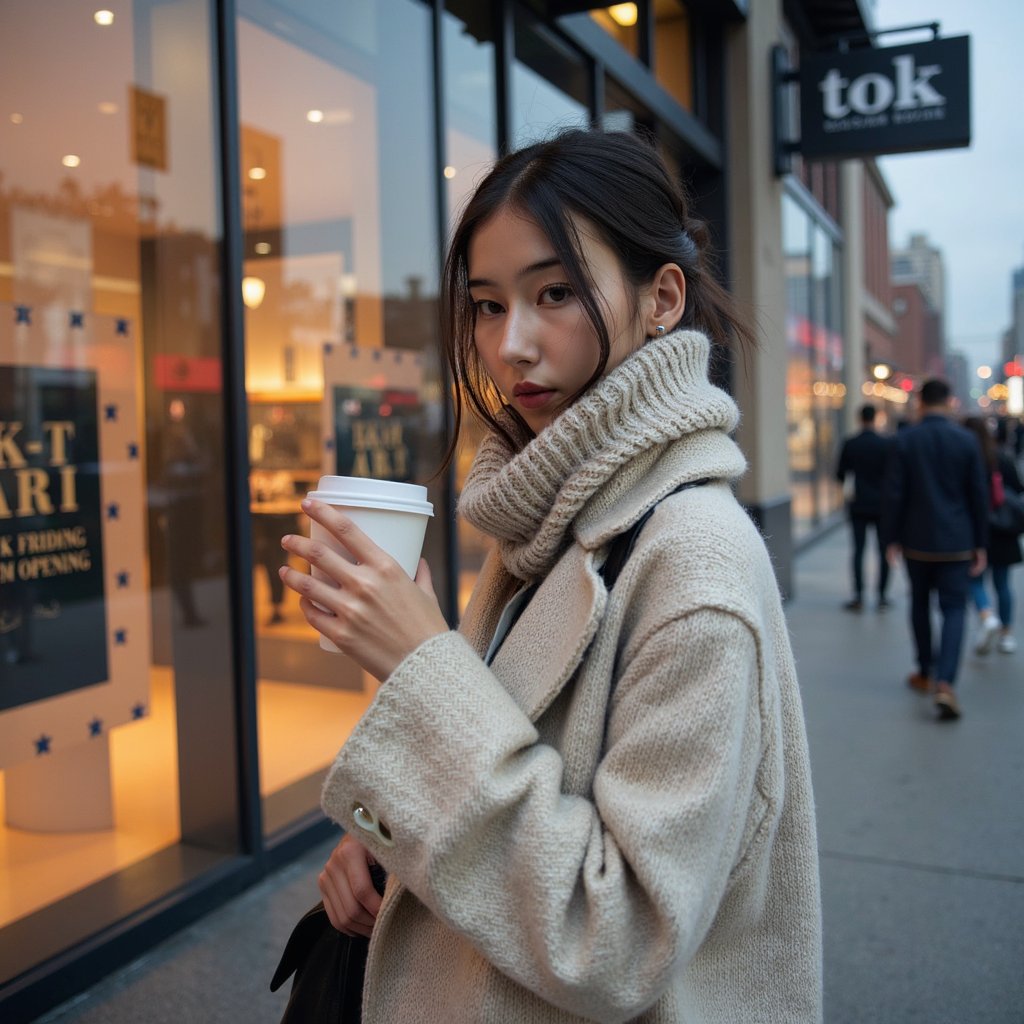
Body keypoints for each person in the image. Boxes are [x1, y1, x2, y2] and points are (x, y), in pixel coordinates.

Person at [278, 128, 822, 1022]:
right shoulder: (549, 517)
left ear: (662, 299)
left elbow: (617, 938)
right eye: (488, 306)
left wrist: (419, 663)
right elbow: (507, 774)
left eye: (555, 293)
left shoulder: (694, 563)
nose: (510, 345)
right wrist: (382, 843)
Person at [881, 379, 988, 720]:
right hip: (958, 541)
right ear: (951, 402)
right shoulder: (967, 440)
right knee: (955, 608)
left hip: (917, 540)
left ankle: (925, 671)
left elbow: (894, 494)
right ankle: (945, 682)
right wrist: (980, 543)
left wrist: (890, 539)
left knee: (920, 604)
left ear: (921, 403)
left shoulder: (905, 440)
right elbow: (978, 497)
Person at [963, 417, 1023, 655]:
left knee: (975, 579)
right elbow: (1018, 488)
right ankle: (1006, 634)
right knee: (1003, 583)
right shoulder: (1003, 458)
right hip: (1004, 529)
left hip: (976, 528)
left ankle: (987, 615)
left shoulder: (967, 459)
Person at [835, 403, 891, 610]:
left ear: (860, 418)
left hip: (858, 503)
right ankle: (882, 596)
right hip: (882, 505)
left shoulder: (851, 443)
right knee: (883, 550)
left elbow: (840, 474)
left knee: (858, 550)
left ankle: (858, 595)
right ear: (875, 417)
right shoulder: (885, 444)